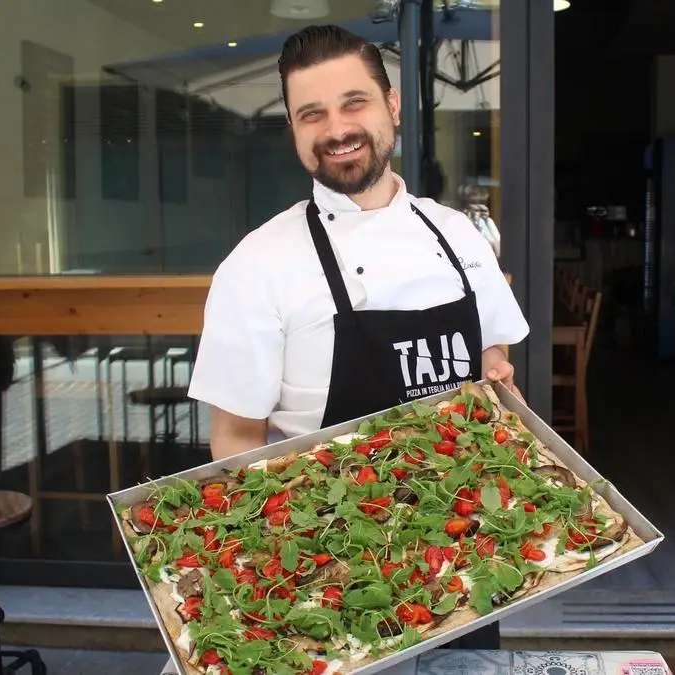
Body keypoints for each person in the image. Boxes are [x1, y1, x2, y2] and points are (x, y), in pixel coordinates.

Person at [182, 24, 529, 658]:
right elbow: (235, 438)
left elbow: (493, 356)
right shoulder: (257, 265)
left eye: (354, 103)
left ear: (391, 106)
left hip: (460, 553)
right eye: (311, 113)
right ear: (293, 129)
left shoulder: (458, 235)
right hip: (332, 568)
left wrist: (495, 377)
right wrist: (265, 571)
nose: (336, 128)